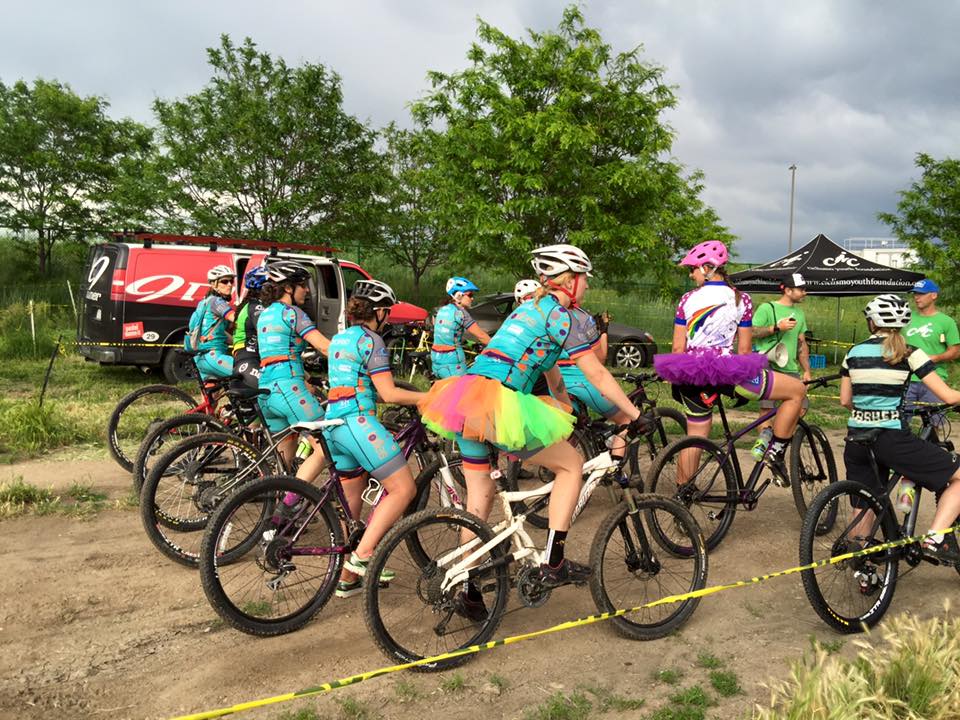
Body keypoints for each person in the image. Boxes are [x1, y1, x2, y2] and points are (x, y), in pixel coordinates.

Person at [421, 244, 646, 604]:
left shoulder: (528, 310)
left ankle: (467, 587)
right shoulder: (561, 316)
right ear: (569, 280)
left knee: (478, 498)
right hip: (501, 403)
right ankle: (554, 562)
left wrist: (567, 415)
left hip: (465, 398)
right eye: (584, 278)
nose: (586, 286)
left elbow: (553, 376)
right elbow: (597, 373)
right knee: (571, 466)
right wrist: (634, 416)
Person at [653, 240, 807, 486]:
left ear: (706, 268)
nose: (691, 274)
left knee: (694, 438)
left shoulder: (686, 300)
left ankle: (683, 497)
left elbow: (677, 348)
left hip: (692, 372)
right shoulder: (742, 300)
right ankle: (776, 452)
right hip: (728, 371)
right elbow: (745, 349)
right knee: (797, 391)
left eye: (692, 269)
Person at [840, 294, 960, 575]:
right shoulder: (909, 352)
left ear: (871, 322)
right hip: (891, 438)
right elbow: (947, 395)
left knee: (864, 503)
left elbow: (845, 400)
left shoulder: (853, 352)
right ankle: (935, 538)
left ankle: (863, 567)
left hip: (856, 437)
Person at [323, 279, 426, 597]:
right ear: (379, 312)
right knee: (403, 488)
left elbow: (362, 389)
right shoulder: (372, 340)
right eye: (388, 312)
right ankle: (364, 558)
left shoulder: (340, 339)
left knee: (351, 503)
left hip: (334, 424)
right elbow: (389, 392)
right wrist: (428, 396)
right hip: (357, 423)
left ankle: (346, 576)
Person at [514, 278, 631, 464]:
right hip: (579, 378)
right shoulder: (580, 316)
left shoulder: (534, 314)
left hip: (554, 381)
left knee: (567, 429)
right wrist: (604, 332)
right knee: (626, 418)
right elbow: (599, 360)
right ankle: (615, 470)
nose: (586, 286)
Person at [256, 261, 331, 481]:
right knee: (328, 445)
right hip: (288, 389)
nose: (307, 290)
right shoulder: (292, 313)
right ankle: (291, 503)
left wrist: (308, 378)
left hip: (267, 391)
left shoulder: (265, 315)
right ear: (288, 288)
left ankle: (278, 507)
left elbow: (278, 355)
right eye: (303, 285)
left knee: (284, 460)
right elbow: (324, 346)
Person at [750, 272, 812, 471]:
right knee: (767, 408)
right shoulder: (767, 308)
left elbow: (802, 344)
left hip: (790, 367)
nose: (805, 292)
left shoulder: (800, 314)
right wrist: (776, 327)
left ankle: (774, 440)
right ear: (786, 289)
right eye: (801, 289)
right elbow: (750, 332)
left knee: (801, 407)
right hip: (767, 364)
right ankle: (766, 439)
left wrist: (807, 371)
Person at [904, 278, 960, 429]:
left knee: (935, 425)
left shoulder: (946, 322)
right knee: (900, 423)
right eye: (915, 294)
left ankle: (936, 451)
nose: (916, 297)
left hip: (934, 380)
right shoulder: (906, 318)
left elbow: (955, 351)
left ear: (933, 295)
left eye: (921, 294)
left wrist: (935, 358)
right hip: (906, 379)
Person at [431, 277, 491, 379]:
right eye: (470, 295)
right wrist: (500, 348)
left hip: (436, 361)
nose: (472, 298)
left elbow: (447, 334)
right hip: (453, 365)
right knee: (466, 392)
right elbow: (481, 336)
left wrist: (467, 343)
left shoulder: (441, 310)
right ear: (458, 295)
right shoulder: (461, 313)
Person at [191, 265, 237, 380]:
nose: (230, 285)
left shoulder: (203, 303)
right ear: (213, 284)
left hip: (201, 357)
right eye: (224, 281)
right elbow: (235, 318)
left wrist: (237, 341)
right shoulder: (217, 302)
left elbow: (215, 331)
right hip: (214, 357)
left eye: (231, 281)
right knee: (247, 373)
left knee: (211, 397)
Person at [231, 265, 268, 390]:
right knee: (273, 390)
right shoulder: (256, 307)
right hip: (248, 359)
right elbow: (267, 332)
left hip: (244, 358)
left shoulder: (250, 305)